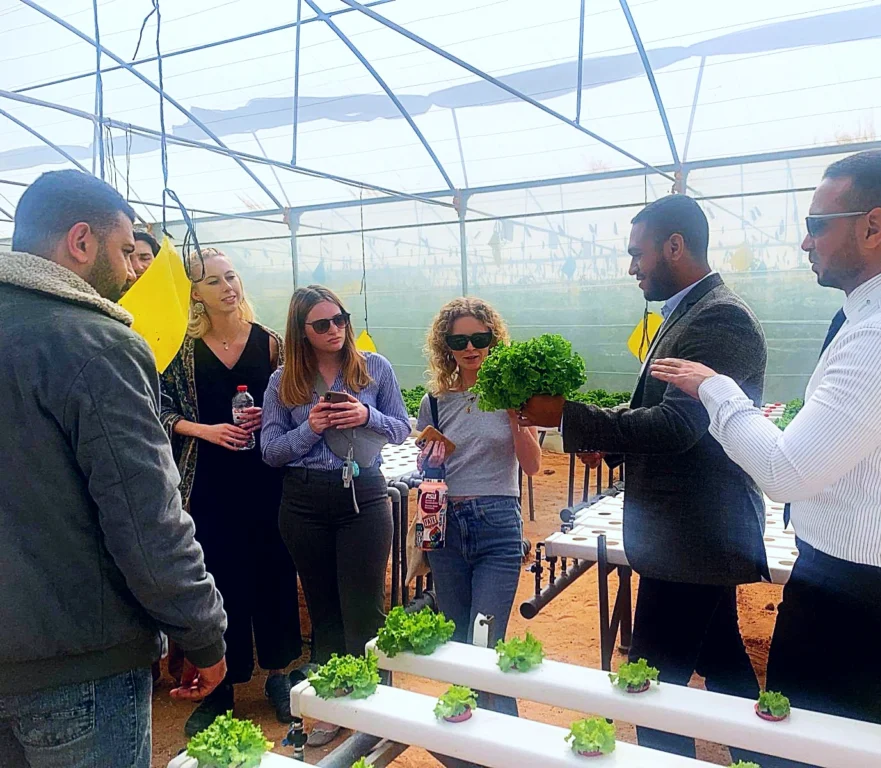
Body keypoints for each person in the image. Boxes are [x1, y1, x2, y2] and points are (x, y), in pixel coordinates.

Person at [650, 150, 881, 757]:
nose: (805, 243)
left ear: (873, 226)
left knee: (805, 751)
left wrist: (715, 390)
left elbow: (787, 471)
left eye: (816, 224)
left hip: (859, 596)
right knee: (860, 748)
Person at [518, 194, 768, 763]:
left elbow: (681, 427)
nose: (632, 267)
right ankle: (766, 756)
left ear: (674, 247)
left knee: (649, 685)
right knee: (722, 662)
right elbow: (672, 425)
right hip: (691, 537)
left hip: (694, 537)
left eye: (638, 254)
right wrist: (608, 441)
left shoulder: (719, 318)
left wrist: (568, 417)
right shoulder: (691, 311)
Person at [0, 170, 227, 767]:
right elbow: (147, 516)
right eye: (127, 251)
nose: (133, 271)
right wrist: (202, 633)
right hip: (79, 662)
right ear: (80, 241)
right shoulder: (96, 342)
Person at [262, 285, 411, 747]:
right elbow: (270, 451)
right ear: (301, 332)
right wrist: (311, 427)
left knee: (365, 611)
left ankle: (373, 713)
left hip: (362, 497)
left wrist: (365, 415)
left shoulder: (373, 369)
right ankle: (329, 705)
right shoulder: (282, 382)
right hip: (303, 502)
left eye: (340, 319)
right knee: (324, 614)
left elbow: (403, 428)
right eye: (322, 324)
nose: (335, 330)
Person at [160, 248, 302, 735]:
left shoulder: (270, 344)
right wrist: (206, 430)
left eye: (232, 276)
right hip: (209, 481)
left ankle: (279, 675)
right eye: (213, 280)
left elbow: (294, 404)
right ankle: (222, 686)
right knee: (221, 579)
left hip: (267, 477)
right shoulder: (178, 349)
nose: (228, 287)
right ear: (194, 293)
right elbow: (157, 411)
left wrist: (271, 417)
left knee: (276, 571)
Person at [416, 297, 542, 720]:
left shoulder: (516, 395)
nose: (470, 348)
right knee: (458, 645)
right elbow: (427, 467)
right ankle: (472, 746)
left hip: (497, 524)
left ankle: (504, 745)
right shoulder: (433, 402)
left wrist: (513, 416)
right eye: (459, 340)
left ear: (493, 339)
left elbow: (534, 465)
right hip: (445, 523)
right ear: (445, 346)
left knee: (486, 641)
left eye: (479, 338)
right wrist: (429, 460)